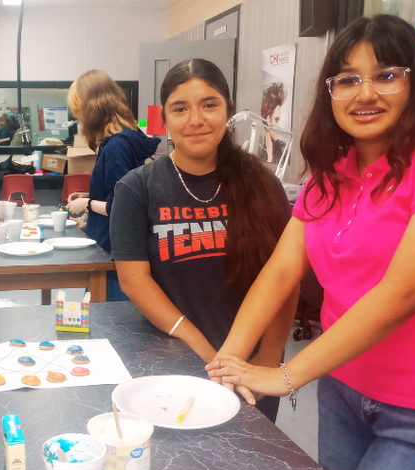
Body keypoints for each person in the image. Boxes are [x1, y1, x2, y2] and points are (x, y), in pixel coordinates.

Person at [206, 15, 415, 470]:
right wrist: (228, 364)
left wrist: (283, 376)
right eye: (347, 80)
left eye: (386, 75)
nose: (365, 93)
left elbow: (402, 294)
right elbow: (281, 272)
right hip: (343, 389)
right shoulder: (329, 174)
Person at [109, 59, 295, 422]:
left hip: (251, 369)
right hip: (172, 360)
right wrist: (207, 354)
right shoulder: (137, 188)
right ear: (164, 117)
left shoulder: (263, 186)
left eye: (209, 105)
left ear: (227, 109)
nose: (196, 119)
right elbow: (134, 281)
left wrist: (268, 359)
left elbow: (286, 280)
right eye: (180, 109)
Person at [65, 70, 161, 301]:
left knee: (108, 315)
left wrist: (86, 204)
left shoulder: (117, 146)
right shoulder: (122, 140)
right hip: (112, 248)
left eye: (80, 113)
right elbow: (121, 190)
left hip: (113, 254)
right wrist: (89, 196)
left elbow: (122, 206)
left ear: (92, 109)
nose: (79, 120)